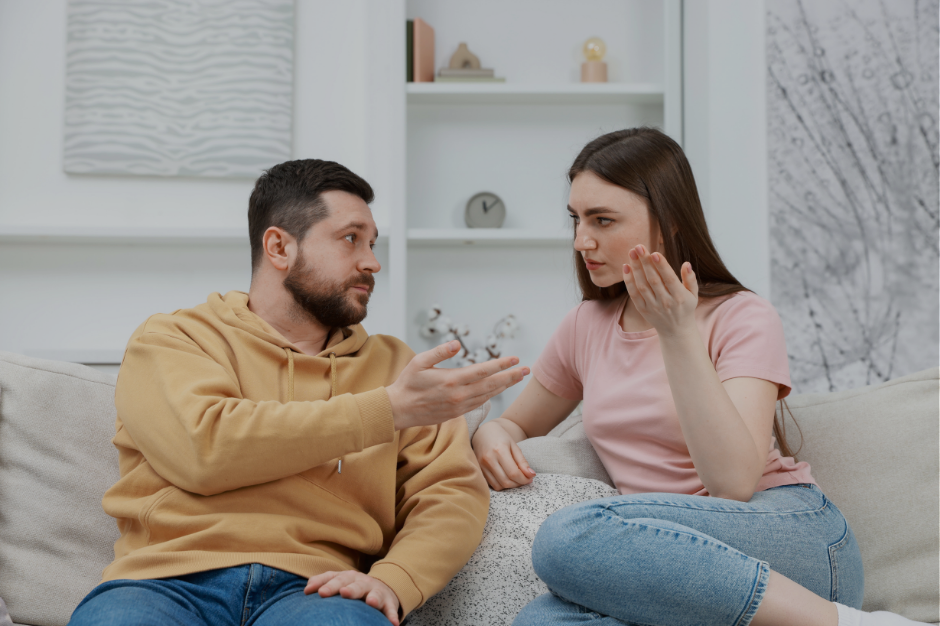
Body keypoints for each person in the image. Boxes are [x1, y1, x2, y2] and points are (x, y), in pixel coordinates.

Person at [471, 128, 927, 626]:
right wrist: (493, 431)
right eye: (577, 219)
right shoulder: (586, 326)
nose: (582, 240)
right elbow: (516, 424)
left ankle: (848, 623)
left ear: (667, 221)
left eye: (603, 220)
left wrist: (678, 334)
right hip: (669, 561)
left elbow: (732, 482)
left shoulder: (743, 316)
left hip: (787, 538)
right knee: (539, 623)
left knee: (566, 536)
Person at [68, 159, 530, 626]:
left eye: (372, 243)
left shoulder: (397, 367)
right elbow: (203, 448)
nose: (372, 261)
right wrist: (384, 410)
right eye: (351, 238)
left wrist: (396, 578)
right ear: (279, 246)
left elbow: (449, 492)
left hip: (319, 591)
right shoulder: (174, 339)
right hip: (165, 585)